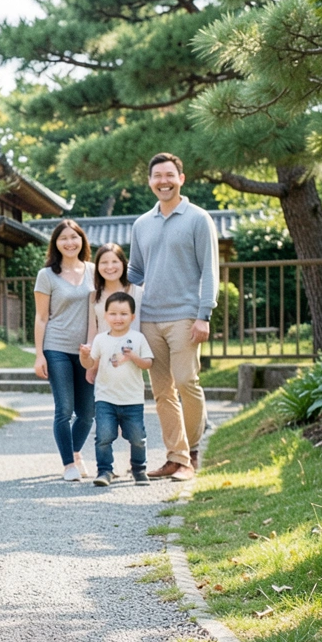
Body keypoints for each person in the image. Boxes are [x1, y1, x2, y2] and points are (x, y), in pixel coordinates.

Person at [127, 152, 218, 482]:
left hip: (185, 317)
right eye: (157, 176)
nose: (163, 181)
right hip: (149, 318)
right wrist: (106, 274)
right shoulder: (141, 224)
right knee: (162, 391)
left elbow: (209, 270)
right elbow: (136, 271)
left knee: (186, 382)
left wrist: (203, 314)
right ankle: (175, 457)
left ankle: (191, 453)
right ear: (149, 181)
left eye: (169, 175)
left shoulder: (197, 218)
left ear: (181, 179)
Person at [33, 220, 96, 481]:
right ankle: (69, 464)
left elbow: (97, 312)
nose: (70, 242)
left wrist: (94, 348)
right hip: (56, 347)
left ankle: (75, 451)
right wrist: (39, 355)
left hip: (86, 350)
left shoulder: (94, 270)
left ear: (82, 240)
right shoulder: (46, 275)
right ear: (56, 244)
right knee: (64, 410)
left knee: (87, 413)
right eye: (63, 238)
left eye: (74, 237)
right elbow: (41, 318)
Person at [79, 292, 152, 487]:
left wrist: (134, 357)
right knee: (103, 436)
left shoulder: (138, 338)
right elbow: (89, 364)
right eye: (113, 314)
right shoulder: (101, 340)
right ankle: (104, 471)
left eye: (123, 314)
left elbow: (147, 364)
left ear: (132, 317)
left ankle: (139, 469)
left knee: (137, 438)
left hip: (132, 399)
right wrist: (84, 355)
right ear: (105, 316)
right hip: (105, 398)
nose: (118, 318)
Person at [85, 243, 143, 384]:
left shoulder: (137, 292)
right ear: (97, 267)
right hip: (104, 360)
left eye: (114, 262)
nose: (109, 267)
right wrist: (92, 364)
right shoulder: (93, 296)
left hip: (131, 360)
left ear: (123, 264)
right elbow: (93, 331)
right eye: (104, 262)